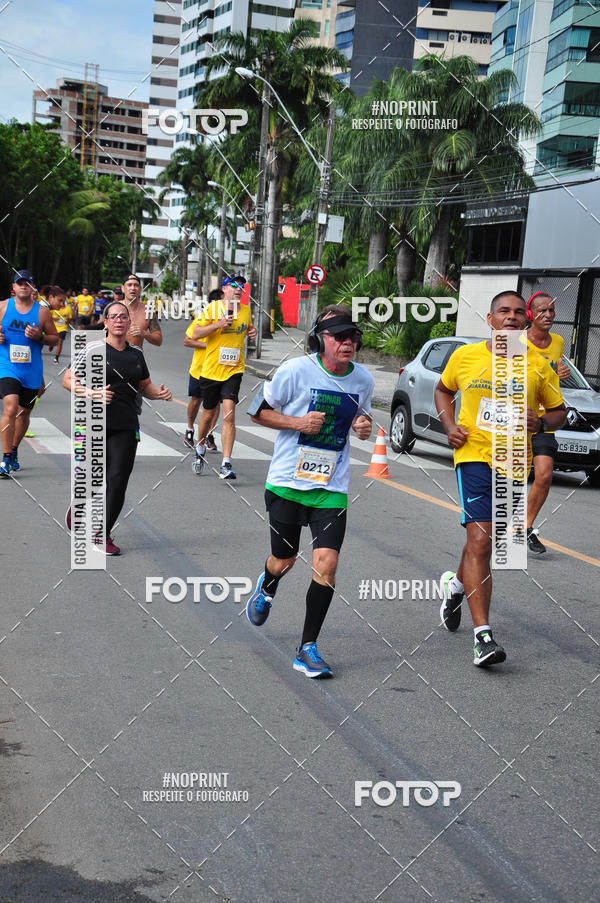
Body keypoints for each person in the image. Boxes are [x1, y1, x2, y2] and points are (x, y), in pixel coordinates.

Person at [434, 291, 566, 668]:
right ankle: (483, 638)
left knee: (485, 543)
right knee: (480, 538)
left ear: (525, 321)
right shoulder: (465, 356)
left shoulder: (539, 364)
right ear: (490, 320)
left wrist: (541, 422)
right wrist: (449, 426)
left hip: (514, 460)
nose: (510, 318)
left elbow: (558, 414)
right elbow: (443, 390)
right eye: (502, 312)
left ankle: (456, 586)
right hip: (474, 456)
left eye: (517, 313)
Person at [246, 305, 374, 678]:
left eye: (352, 336)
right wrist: (297, 422)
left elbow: (361, 416)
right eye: (339, 336)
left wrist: (363, 426)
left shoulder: (363, 380)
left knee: (326, 564)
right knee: (283, 561)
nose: (348, 342)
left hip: (331, 487)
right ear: (322, 339)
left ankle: (307, 648)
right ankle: (268, 584)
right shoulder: (295, 371)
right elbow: (257, 412)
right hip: (287, 482)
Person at [63, 301, 172, 555]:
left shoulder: (136, 354)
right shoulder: (93, 349)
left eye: (124, 317)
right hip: (95, 423)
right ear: (106, 322)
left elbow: (145, 386)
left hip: (126, 424)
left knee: (118, 479)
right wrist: (91, 392)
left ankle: (103, 534)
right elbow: (69, 380)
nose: (119, 321)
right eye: (114, 317)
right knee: (93, 477)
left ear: (128, 322)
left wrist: (160, 394)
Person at [192, 275, 256, 479]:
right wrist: (218, 324)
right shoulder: (213, 308)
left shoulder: (246, 311)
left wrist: (252, 333)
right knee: (208, 415)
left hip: (234, 370)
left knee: (229, 414)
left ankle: (226, 464)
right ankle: (200, 447)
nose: (239, 289)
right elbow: (195, 333)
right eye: (234, 286)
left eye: (242, 286)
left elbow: (247, 328)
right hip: (211, 370)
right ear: (224, 290)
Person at [524, 292, 571, 554]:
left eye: (552, 310)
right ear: (530, 315)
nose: (549, 315)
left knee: (544, 473)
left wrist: (560, 375)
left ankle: (525, 528)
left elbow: (552, 377)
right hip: (514, 419)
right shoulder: (515, 341)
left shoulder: (559, 342)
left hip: (544, 418)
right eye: (542, 311)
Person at [0, 270, 58, 476]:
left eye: (28, 283)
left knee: (24, 413)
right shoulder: (3, 307)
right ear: (13, 287)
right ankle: (5, 458)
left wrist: (39, 337)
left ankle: (14, 449)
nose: (23, 286)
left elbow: (54, 338)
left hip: (31, 370)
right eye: (20, 283)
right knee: (10, 407)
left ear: (33, 288)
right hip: (7, 366)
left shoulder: (42, 312)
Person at [183, 287, 220, 451]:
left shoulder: (229, 321)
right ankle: (190, 429)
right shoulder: (201, 319)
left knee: (215, 405)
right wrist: (208, 345)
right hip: (199, 369)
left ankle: (209, 434)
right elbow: (188, 341)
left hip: (218, 370)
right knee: (197, 400)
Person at [121, 274, 162, 349]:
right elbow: (97, 335)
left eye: (136, 285)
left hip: (135, 359)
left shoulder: (148, 311)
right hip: (112, 358)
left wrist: (144, 333)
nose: (133, 288)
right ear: (123, 288)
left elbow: (158, 340)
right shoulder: (112, 308)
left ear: (140, 289)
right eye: (129, 285)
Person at [48, 285, 72, 363]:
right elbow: (48, 316)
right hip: (54, 327)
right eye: (60, 301)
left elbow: (70, 318)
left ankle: (56, 358)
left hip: (63, 328)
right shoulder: (53, 307)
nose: (61, 303)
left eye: (63, 301)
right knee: (54, 341)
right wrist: (54, 318)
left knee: (60, 342)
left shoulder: (68, 308)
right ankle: (51, 345)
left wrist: (67, 321)